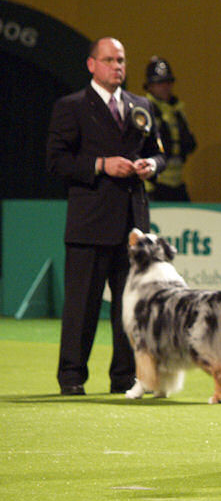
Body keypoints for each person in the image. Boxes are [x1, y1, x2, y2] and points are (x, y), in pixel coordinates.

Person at [46, 37, 166, 396]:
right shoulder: (72, 107)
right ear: (91, 65)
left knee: (129, 309)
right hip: (90, 224)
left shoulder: (141, 105)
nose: (118, 66)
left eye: (122, 60)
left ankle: (124, 377)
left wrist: (150, 166)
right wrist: (100, 165)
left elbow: (160, 154)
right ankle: (72, 377)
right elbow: (56, 161)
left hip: (133, 226)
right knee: (81, 308)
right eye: (110, 59)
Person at [143, 56, 197, 201]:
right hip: (153, 185)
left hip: (177, 183)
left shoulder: (177, 111)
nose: (165, 87)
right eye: (159, 83)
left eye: (168, 82)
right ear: (150, 86)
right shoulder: (144, 111)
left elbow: (188, 143)